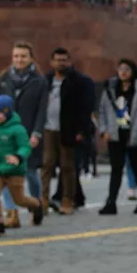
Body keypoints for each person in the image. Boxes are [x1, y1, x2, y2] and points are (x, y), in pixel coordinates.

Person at [0, 95, 44, 236]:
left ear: (8, 113)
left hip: (14, 170)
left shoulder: (17, 129)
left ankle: (36, 204)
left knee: (20, 200)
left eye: (0, 113)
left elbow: (25, 147)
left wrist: (17, 156)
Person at [36, 48, 96, 215]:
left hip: (68, 130)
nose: (61, 63)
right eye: (58, 60)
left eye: (64, 60)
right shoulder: (45, 81)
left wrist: (82, 130)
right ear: (52, 62)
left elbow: (84, 108)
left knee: (67, 166)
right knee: (47, 165)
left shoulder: (77, 82)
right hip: (48, 128)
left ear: (69, 62)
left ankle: (67, 200)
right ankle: (44, 200)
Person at [96, 59, 137, 216]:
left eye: (127, 69)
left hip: (135, 136)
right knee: (116, 169)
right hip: (115, 135)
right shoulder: (110, 89)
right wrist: (103, 130)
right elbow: (102, 111)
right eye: (121, 69)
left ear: (133, 71)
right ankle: (111, 202)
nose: (123, 72)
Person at [0, 42, 48, 208]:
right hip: (6, 133)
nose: (19, 59)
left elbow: (42, 109)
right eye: (16, 56)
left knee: (30, 172)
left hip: (28, 133)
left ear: (31, 58)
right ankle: (11, 212)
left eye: (23, 56)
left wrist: (37, 133)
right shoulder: (3, 79)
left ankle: (37, 204)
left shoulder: (39, 81)